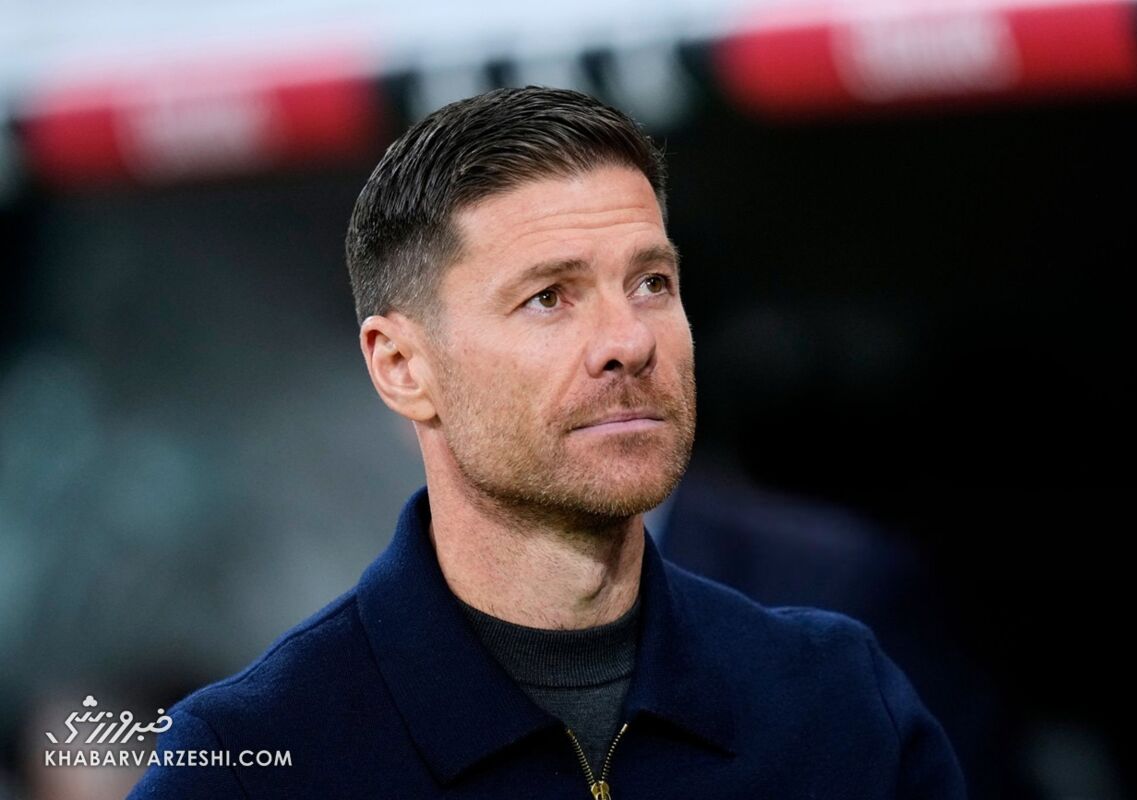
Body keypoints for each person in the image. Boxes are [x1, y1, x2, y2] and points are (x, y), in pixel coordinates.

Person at [129, 86, 965, 799]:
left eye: (651, 282)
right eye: (549, 298)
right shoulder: (257, 761)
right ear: (402, 367)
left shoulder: (839, 703)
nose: (629, 340)